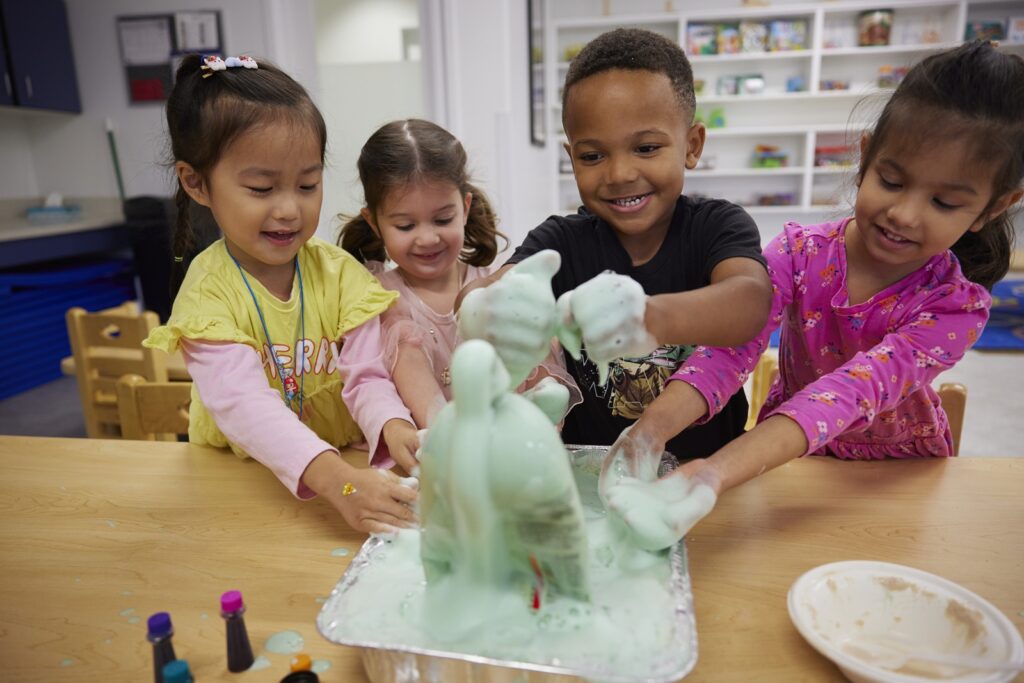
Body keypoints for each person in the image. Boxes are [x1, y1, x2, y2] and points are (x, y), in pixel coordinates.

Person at [607, 41, 1024, 548]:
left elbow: (847, 393)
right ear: (867, 157)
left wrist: (714, 472)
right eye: (892, 181)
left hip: (896, 478)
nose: (905, 214)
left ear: (994, 207)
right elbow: (731, 348)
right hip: (785, 459)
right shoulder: (799, 252)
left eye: (944, 201)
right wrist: (651, 429)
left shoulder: (955, 307)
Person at [458, 28, 773, 458]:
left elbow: (750, 303)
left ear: (692, 145)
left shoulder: (717, 226)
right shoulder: (560, 241)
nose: (620, 173)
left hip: (705, 477)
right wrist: (487, 306)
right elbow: (488, 292)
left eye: (645, 148)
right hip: (591, 479)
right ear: (572, 159)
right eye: (593, 156)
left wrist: (649, 318)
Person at [144, 55, 419, 534]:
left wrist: (395, 427)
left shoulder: (338, 275)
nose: (289, 209)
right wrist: (341, 483)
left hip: (344, 473)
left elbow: (367, 378)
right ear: (196, 183)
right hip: (239, 483)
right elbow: (245, 405)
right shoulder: (210, 294)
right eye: (261, 188)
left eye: (308, 184)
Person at [340, 119, 581, 430]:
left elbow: (535, 364)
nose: (427, 238)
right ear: (374, 223)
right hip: (425, 456)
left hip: (505, 446)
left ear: (464, 208)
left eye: (442, 219)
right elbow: (372, 386)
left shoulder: (493, 286)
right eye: (406, 226)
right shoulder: (379, 298)